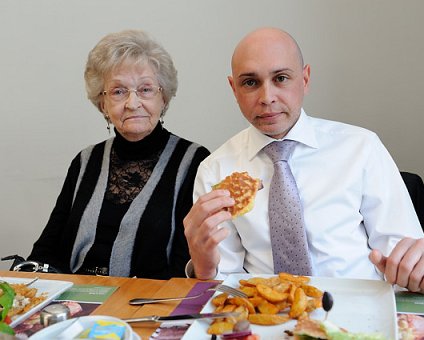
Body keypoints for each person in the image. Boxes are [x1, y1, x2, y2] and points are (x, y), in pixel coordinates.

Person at [183, 27, 424, 293]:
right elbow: (223, 284)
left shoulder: (362, 148)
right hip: (265, 318)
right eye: (250, 83)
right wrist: (203, 268)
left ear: (305, 79)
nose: (267, 98)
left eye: (281, 78)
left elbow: (406, 256)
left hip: (359, 308)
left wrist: (415, 270)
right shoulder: (215, 170)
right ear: (234, 89)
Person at [27, 29, 210, 279]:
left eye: (145, 89)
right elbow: (48, 248)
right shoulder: (84, 161)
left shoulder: (195, 162)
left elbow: (186, 266)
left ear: (163, 98)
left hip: (146, 306)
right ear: (103, 104)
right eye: (118, 91)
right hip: (74, 302)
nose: (132, 103)